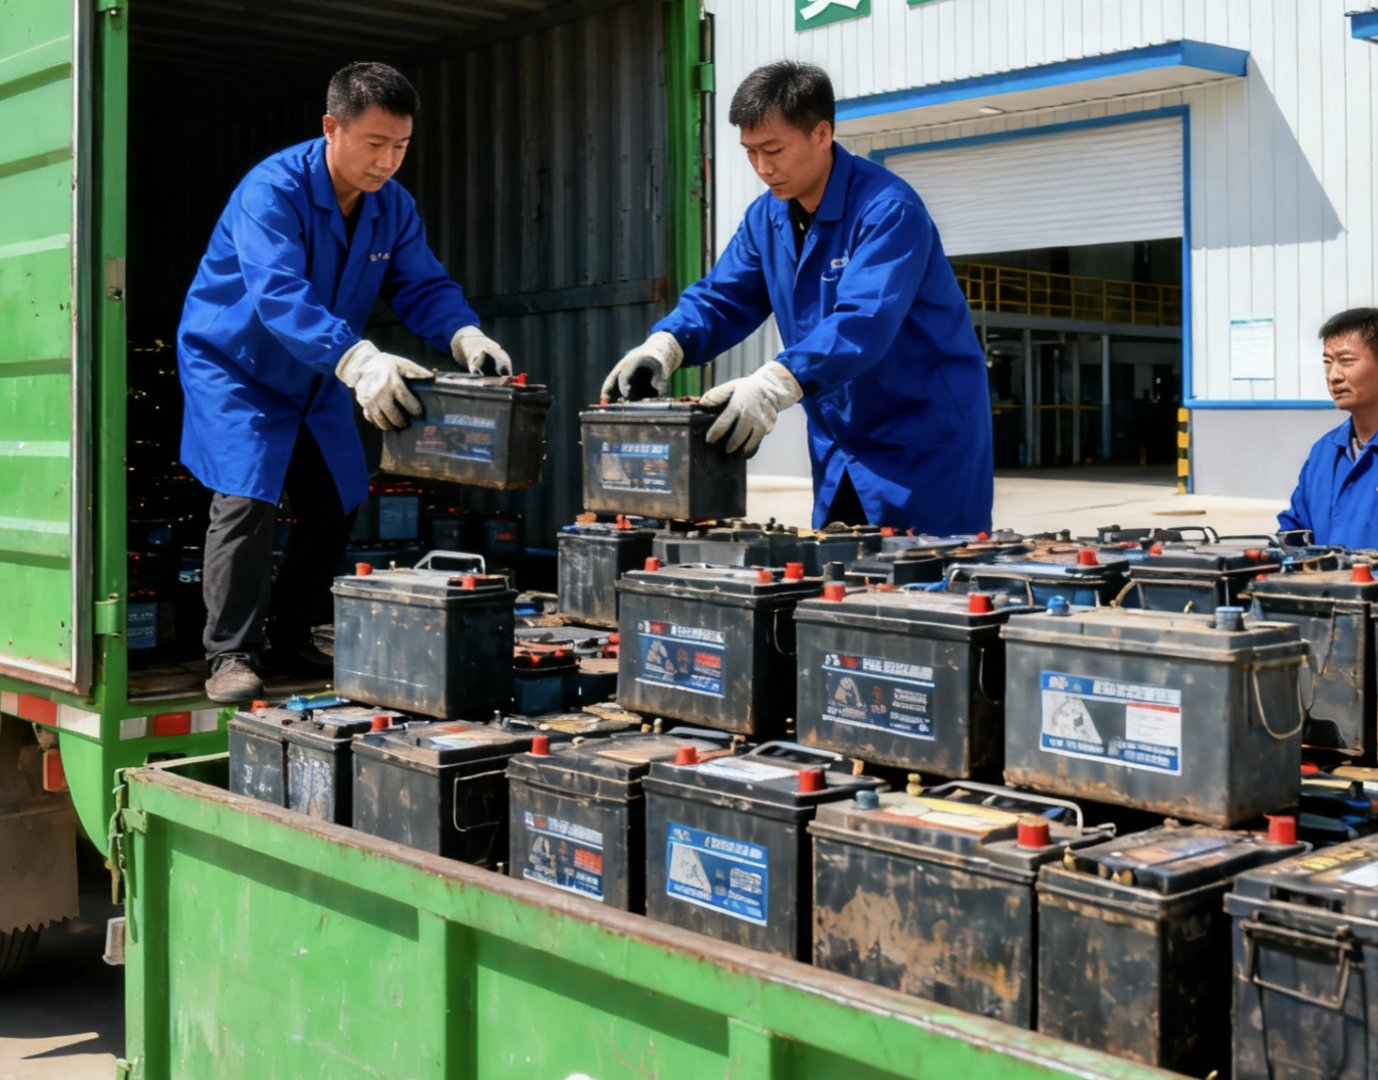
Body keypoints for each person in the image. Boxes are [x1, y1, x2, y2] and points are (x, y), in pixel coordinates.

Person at [178, 62, 511, 703]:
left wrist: (464, 334)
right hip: (238, 366)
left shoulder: (393, 206)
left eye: (401, 146)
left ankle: (289, 635)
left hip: (321, 368)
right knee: (247, 498)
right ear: (332, 128)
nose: (387, 161)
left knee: (337, 494)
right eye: (375, 143)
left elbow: (422, 285)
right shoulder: (270, 191)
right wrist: (359, 361)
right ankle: (230, 653)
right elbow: (279, 294)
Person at [600, 60, 993, 534]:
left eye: (774, 150)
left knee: (928, 571)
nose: (763, 168)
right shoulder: (766, 218)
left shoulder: (888, 209)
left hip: (921, 442)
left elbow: (862, 322)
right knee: (843, 573)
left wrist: (771, 385)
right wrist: (665, 345)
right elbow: (722, 298)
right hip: (838, 442)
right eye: (750, 152)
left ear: (822, 134)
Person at [1279, 308, 1378, 548]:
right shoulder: (1325, 452)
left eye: (1346, 361)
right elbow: (1296, 532)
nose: (1334, 376)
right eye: (1327, 363)